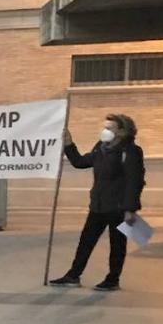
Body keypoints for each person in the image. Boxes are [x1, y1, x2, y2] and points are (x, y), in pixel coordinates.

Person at [50, 114, 146, 291]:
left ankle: (112, 279)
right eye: (105, 127)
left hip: (118, 207)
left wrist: (130, 209)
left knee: (117, 245)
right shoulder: (100, 148)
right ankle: (73, 275)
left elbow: (135, 181)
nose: (105, 130)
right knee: (85, 241)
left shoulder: (131, 151)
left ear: (122, 131)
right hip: (98, 205)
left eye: (109, 128)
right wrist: (69, 144)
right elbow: (80, 162)